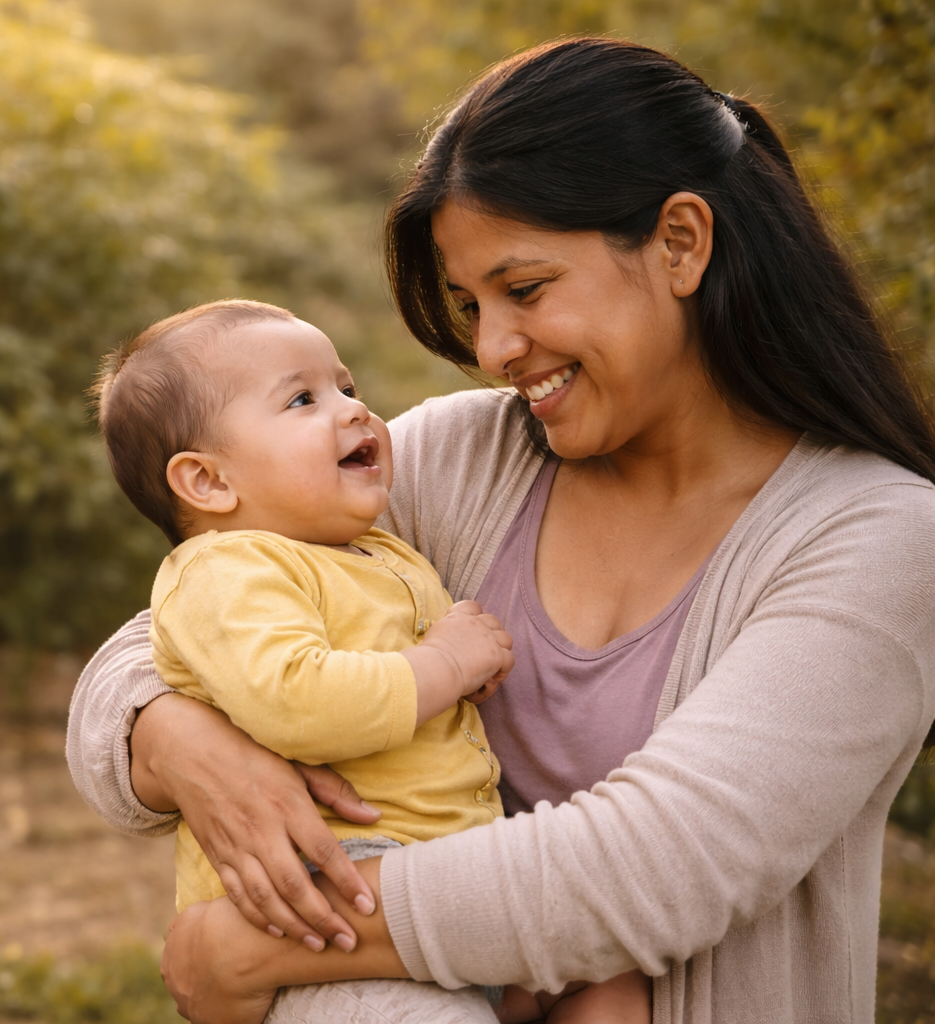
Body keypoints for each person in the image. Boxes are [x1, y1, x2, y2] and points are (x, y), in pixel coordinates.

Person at [65, 37, 935, 1024]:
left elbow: (658, 867)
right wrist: (180, 738)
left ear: (682, 242)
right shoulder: (459, 459)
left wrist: (261, 941)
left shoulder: (878, 538)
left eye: (524, 290)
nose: (490, 348)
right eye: (471, 303)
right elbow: (171, 630)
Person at [93, 298, 520, 1022]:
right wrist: (442, 666)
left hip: (433, 879)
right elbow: (299, 700)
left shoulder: (361, 546)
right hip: (325, 898)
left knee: (614, 986)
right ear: (207, 482)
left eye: (348, 388)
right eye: (303, 399)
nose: (353, 412)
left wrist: (451, 679)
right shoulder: (226, 571)